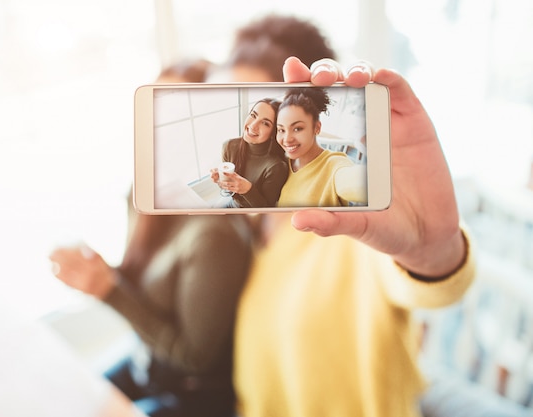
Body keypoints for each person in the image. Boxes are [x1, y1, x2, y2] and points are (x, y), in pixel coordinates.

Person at [201, 15, 476, 417]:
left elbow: (436, 277)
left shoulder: (347, 223)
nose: (246, 134)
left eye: (266, 123)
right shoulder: (244, 221)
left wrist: (431, 249)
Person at [49, 60, 255, 417]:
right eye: (153, 106)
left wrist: (110, 290)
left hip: (191, 396)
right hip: (146, 365)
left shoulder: (214, 234)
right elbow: (146, 284)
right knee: (63, 396)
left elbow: (195, 359)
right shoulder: (144, 193)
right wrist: (96, 273)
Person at [275, 86, 359, 207]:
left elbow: (352, 181)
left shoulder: (334, 164)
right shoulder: (282, 163)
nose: (287, 139)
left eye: (297, 128)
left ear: (317, 128)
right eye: (281, 129)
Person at [209, 97, 288, 208]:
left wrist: (248, 190)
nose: (253, 126)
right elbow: (229, 193)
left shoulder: (276, 167)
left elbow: (267, 211)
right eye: (253, 115)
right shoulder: (229, 146)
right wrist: (221, 180)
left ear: (274, 132)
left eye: (265, 123)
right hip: (233, 204)